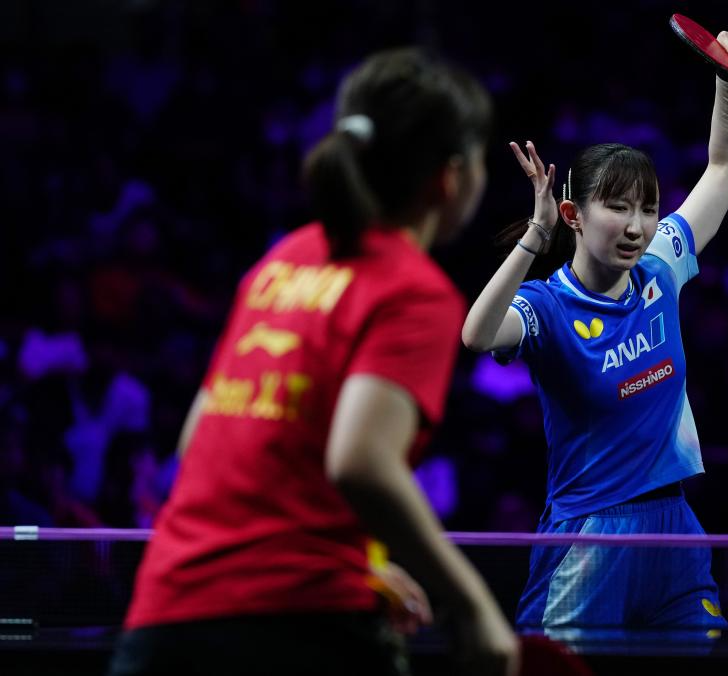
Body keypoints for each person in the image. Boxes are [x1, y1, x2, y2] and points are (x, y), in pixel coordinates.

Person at [109, 48, 518, 676]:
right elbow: (360, 462)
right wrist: (472, 604)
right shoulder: (415, 292)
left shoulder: (283, 262)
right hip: (290, 623)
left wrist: (358, 564)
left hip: (163, 619)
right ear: (451, 177)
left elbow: (199, 442)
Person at [461, 31, 728, 633]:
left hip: (673, 525)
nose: (637, 226)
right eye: (618, 207)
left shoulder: (662, 265)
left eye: (647, 208)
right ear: (574, 215)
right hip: (589, 535)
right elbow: (478, 335)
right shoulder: (546, 306)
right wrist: (535, 237)